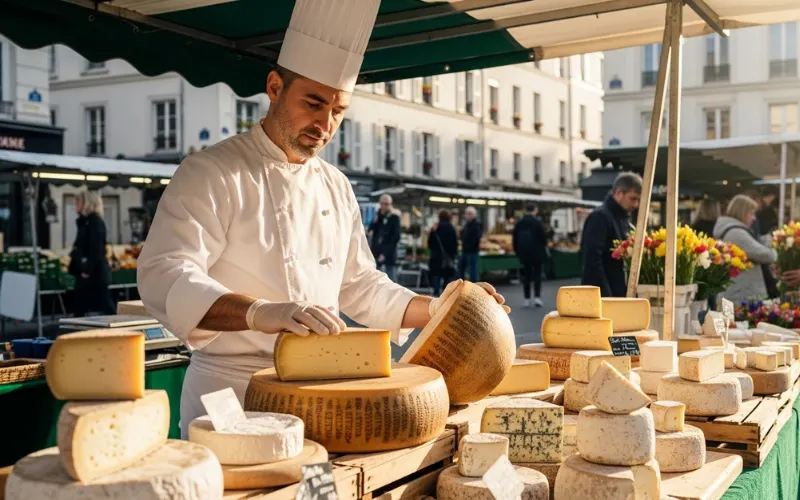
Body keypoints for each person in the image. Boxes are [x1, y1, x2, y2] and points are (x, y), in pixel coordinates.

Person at [136, 0, 509, 439]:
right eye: (313, 103)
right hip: (230, 393)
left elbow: (359, 284)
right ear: (275, 87)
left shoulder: (335, 184)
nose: (325, 124)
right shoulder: (211, 171)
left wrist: (440, 310)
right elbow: (163, 274)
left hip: (322, 393)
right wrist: (260, 312)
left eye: (338, 111)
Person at [580, 172, 642, 297]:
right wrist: (606, 297)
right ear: (619, 193)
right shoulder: (600, 218)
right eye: (633, 199)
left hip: (618, 294)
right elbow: (592, 262)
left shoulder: (621, 218)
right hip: (607, 298)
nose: (636, 205)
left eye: (638, 200)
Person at [713, 195, 777, 303]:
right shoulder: (737, 233)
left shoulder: (730, 229)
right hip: (741, 295)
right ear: (743, 212)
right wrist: (772, 248)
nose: (754, 218)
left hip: (736, 292)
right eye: (751, 213)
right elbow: (766, 256)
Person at [68, 190, 115, 317]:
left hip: (93, 272)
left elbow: (96, 249)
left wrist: (87, 270)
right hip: (88, 271)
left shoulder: (94, 222)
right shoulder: (85, 222)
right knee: (83, 304)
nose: (75, 206)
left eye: (78, 202)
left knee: (103, 303)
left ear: (86, 203)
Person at [513, 204, 548, 308]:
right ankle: (537, 297)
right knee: (537, 275)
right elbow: (543, 238)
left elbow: (514, 239)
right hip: (537, 253)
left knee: (526, 276)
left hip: (524, 254)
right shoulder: (537, 223)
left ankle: (526, 298)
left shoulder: (519, 223)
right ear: (535, 210)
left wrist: (518, 252)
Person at [691, 198, 722, 310]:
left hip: (695, 269)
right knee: (712, 301)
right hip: (712, 269)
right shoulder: (717, 227)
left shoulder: (693, 226)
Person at [369, 194, 401, 282]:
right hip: (376, 251)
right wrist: (376, 218)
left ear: (390, 204)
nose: (384, 206)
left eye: (386, 204)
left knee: (391, 279)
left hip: (389, 253)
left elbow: (396, 237)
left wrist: (385, 253)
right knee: (375, 279)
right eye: (382, 204)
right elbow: (371, 228)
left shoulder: (394, 217)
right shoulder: (378, 216)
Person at [427, 210, 458, 296]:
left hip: (436, 257)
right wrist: (453, 255)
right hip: (448, 258)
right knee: (447, 277)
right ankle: (445, 295)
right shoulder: (451, 228)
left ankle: (436, 294)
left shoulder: (435, 228)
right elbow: (454, 244)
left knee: (436, 275)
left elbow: (429, 243)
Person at [460, 206, 483, 282]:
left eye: (469, 214)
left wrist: (469, 246)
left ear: (474, 215)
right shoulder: (467, 225)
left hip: (472, 251)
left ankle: (474, 287)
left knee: (472, 271)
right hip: (465, 250)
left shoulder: (476, 225)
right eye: (466, 214)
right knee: (462, 269)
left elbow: (476, 238)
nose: (467, 215)